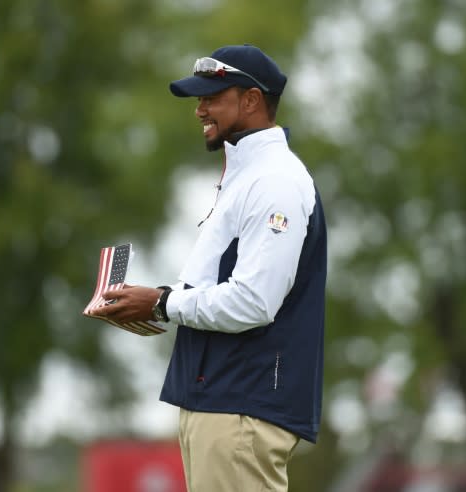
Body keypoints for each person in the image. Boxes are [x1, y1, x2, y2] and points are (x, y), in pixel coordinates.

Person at [90, 44, 327, 492]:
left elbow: (253, 302)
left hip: (242, 404)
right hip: (223, 400)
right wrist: (152, 301)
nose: (200, 110)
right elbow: (215, 287)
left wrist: (160, 303)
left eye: (210, 99)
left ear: (251, 100)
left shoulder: (274, 180)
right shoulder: (248, 174)